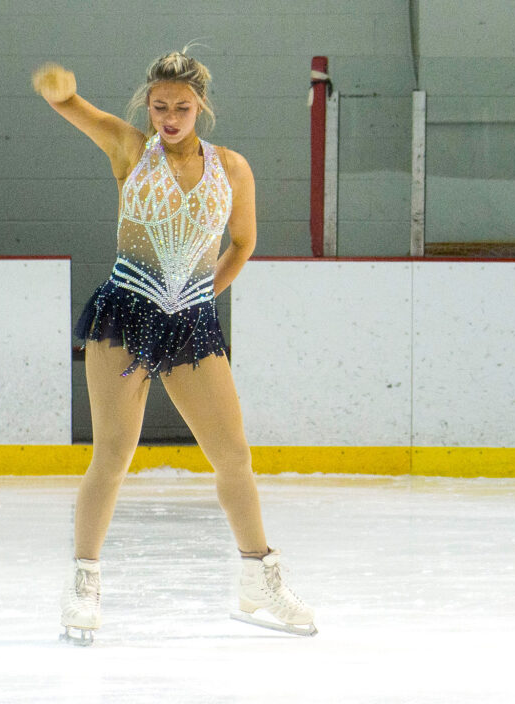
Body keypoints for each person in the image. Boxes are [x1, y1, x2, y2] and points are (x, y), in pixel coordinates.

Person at [31, 48, 316, 643]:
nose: (169, 117)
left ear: (200, 106)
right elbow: (72, 105)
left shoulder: (232, 167)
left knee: (233, 457)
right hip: (124, 315)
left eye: (181, 107)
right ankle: (83, 581)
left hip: (191, 324)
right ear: (148, 104)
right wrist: (58, 90)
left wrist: (197, 295)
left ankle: (258, 579)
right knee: (112, 455)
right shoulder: (129, 149)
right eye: (159, 106)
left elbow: (242, 242)